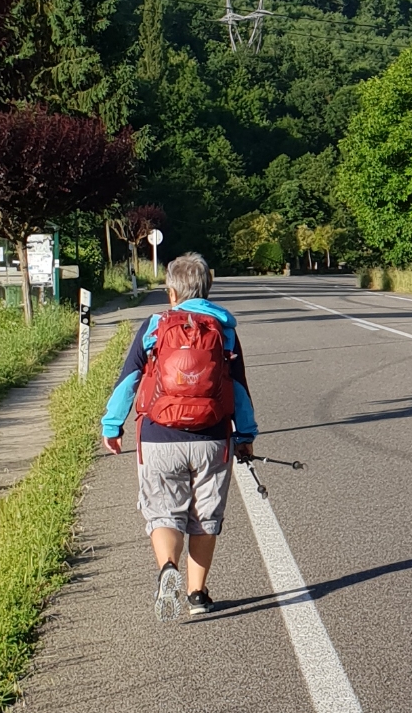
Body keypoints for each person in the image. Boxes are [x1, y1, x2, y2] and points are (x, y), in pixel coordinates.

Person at [100, 252, 258, 621]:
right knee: (204, 516)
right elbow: (237, 387)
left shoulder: (155, 326)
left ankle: (167, 567)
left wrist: (112, 425)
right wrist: (245, 434)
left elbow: (129, 380)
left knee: (163, 513)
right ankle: (196, 593)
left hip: (158, 435)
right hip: (211, 437)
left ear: (172, 292)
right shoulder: (224, 329)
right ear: (208, 288)